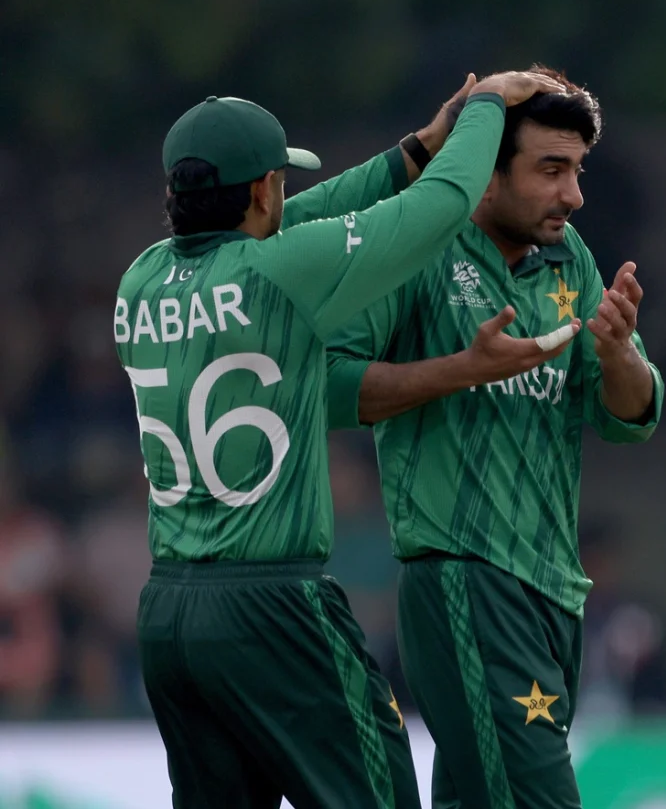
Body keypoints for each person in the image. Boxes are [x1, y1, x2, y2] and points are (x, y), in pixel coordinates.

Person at [115, 70, 563, 809]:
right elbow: (442, 207)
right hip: (275, 604)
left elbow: (311, 215)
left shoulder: (142, 278)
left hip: (168, 614)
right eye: (279, 183)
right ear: (263, 191)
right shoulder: (281, 271)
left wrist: (421, 142)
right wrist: (486, 107)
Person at [326, 65, 663, 809]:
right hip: (465, 580)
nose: (573, 195)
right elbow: (329, 387)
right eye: (550, 170)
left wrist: (619, 357)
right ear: (484, 173)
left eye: (577, 170)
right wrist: (460, 369)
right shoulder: (416, 245)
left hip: (553, 590)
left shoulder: (567, 255)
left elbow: (628, 416)